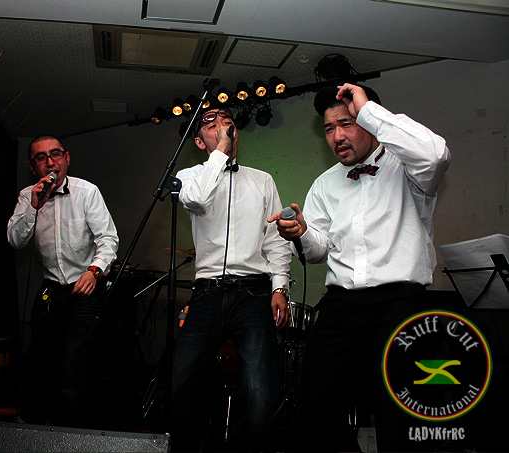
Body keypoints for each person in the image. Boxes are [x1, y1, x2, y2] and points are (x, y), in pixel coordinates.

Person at [268, 83, 450, 451]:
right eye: (329, 128)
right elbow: (318, 250)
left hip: (399, 301)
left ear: (369, 121)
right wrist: (302, 233)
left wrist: (369, 112)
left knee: (397, 406)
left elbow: (436, 155)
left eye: (347, 124)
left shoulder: (409, 168)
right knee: (317, 397)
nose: (337, 137)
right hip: (342, 303)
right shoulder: (325, 184)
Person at [171, 108, 292, 450]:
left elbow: (275, 239)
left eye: (228, 123)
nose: (224, 128)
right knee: (180, 381)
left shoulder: (262, 179)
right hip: (207, 292)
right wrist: (219, 155)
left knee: (260, 389)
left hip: (253, 293)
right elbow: (196, 199)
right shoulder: (190, 176)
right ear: (199, 142)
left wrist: (280, 286)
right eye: (212, 125)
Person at [7, 135, 119, 428]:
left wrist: (94, 271)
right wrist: (33, 207)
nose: (50, 161)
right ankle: (31, 426)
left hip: (85, 287)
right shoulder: (27, 195)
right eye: (41, 157)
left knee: (73, 363)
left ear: (66, 158)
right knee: (37, 359)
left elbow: (108, 239)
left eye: (55, 154)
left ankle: (70, 431)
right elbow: (15, 240)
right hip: (50, 289)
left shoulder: (87, 192)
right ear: (33, 167)